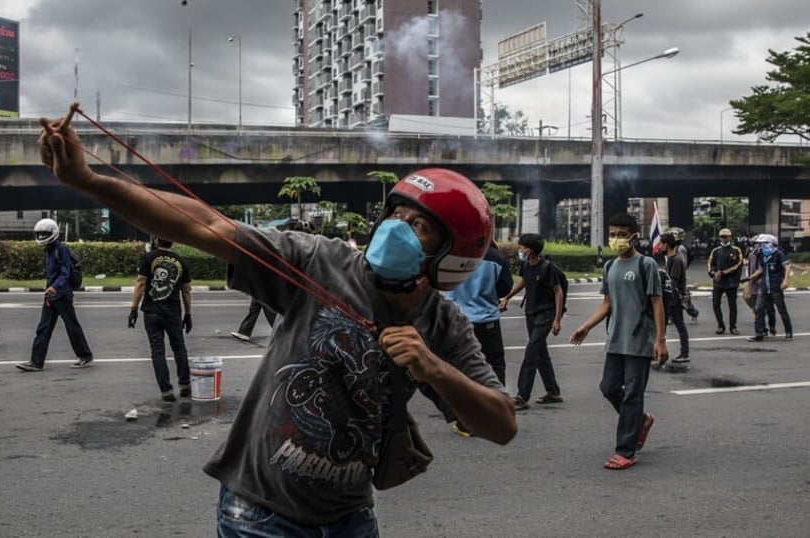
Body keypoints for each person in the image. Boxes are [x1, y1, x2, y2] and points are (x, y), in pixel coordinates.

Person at [38, 111, 516, 535]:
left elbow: (501, 425)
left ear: (452, 256)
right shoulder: (319, 261)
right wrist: (90, 180)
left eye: (419, 225)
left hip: (351, 516)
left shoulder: (444, 324)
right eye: (395, 214)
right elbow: (207, 225)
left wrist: (432, 368)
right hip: (260, 516)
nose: (395, 228)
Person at [569, 212, 668, 471]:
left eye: (621, 235)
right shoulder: (610, 267)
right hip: (615, 339)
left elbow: (657, 303)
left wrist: (660, 340)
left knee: (633, 395)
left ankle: (626, 450)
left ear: (634, 236)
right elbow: (607, 304)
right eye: (612, 234)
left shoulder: (646, 265)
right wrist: (586, 326)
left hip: (639, 340)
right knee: (608, 387)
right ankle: (642, 420)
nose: (616, 239)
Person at [445, 240, 514, 436]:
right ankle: (496, 416)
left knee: (460, 370)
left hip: (456, 320)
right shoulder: (496, 258)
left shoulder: (450, 252)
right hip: (487, 321)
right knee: (494, 368)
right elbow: (504, 288)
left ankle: (466, 421)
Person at [16, 218, 94, 371]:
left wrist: (54, 287)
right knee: (43, 328)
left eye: (44, 234)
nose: (40, 237)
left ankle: (85, 355)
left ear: (53, 233)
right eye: (39, 234)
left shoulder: (61, 249)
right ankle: (36, 362)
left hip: (62, 295)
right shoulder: (49, 250)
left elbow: (65, 273)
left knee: (72, 326)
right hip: (51, 296)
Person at [499, 233, 563, 410]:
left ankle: (522, 396)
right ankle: (553, 391)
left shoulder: (546, 268)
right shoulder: (526, 264)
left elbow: (558, 292)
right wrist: (507, 297)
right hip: (531, 313)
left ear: (529, 249)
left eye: (521, 247)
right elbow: (524, 282)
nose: (519, 250)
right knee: (541, 352)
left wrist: (557, 320)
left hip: (545, 313)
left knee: (531, 352)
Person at [130, 237, 193, 401]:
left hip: (151, 312)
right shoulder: (181, 262)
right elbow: (186, 290)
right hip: (173, 312)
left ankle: (166, 390)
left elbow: (141, 283)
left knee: (157, 351)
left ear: (157, 240)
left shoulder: (148, 258)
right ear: (173, 241)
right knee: (179, 348)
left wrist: (134, 309)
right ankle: (185, 385)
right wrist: (188, 314)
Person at [746, 234, 793, 341]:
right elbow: (761, 269)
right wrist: (751, 277)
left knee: (781, 309)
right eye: (761, 244)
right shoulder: (762, 255)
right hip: (763, 286)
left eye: (764, 244)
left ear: (772, 244)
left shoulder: (778, 254)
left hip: (775, 285)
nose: (762, 246)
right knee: (758, 309)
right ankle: (760, 333)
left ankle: (788, 331)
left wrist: (785, 280)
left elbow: (787, 266)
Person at [707, 227, 744, 335]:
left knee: (732, 306)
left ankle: (733, 326)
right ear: (719, 238)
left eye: (726, 237)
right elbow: (710, 264)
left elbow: (738, 264)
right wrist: (713, 273)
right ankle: (720, 325)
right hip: (718, 282)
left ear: (730, 237)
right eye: (722, 237)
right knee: (715, 304)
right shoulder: (716, 251)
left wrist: (722, 273)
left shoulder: (736, 250)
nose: (724, 239)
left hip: (731, 282)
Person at [660, 233, 691, 363]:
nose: (659, 247)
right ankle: (660, 350)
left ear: (666, 245)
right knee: (662, 325)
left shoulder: (676, 260)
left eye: (661, 244)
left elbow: (673, 282)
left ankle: (685, 353)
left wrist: (666, 297)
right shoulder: (671, 259)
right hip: (670, 298)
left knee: (679, 325)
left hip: (674, 298)